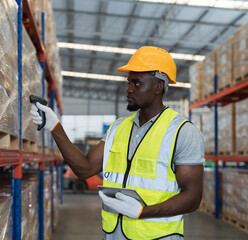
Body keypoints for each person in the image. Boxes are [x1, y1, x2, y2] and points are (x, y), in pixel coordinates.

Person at [30, 46, 205, 240]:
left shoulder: (182, 131)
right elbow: (85, 169)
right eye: (129, 82)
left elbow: (193, 197)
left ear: (158, 86)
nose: (129, 89)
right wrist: (55, 127)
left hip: (158, 237)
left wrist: (142, 212)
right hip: (114, 235)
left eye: (137, 83)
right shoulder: (117, 128)